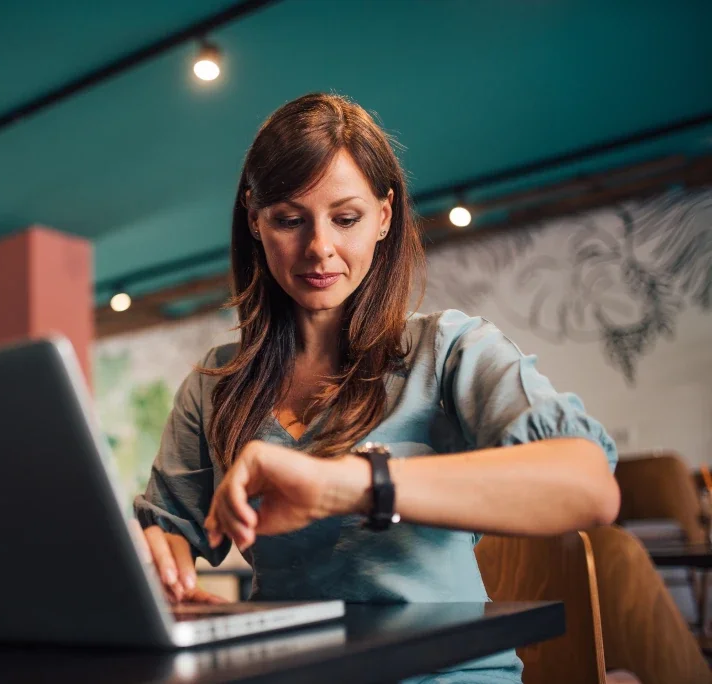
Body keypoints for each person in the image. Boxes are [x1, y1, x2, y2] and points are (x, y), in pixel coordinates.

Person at [133, 93, 620, 683]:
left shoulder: (449, 351)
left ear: (384, 216)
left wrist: (355, 483)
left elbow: (589, 485)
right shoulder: (216, 385)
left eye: (346, 218)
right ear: (254, 220)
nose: (319, 248)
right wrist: (170, 572)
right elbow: (166, 533)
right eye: (289, 219)